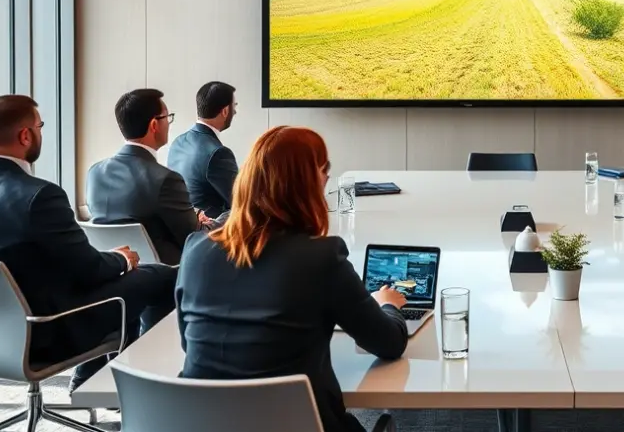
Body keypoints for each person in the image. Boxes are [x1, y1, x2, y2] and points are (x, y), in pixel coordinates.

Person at [176, 126, 409, 432]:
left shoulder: (195, 251)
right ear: (309, 181)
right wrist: (387, 305)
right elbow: (389, 343)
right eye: (324, 170)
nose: (327, 179)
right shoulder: (321, 258)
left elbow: (188, 343)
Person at [0, 95, 176, 390]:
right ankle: (147, 385)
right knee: (160, 276)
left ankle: (95, 377)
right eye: (39, 126)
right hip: (42, 333)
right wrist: (122, 259)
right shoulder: (39, 195)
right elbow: (88, 270)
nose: (41, 133)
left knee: (120, 287)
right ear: (25, 135)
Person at [87, 88, 212, 265]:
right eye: (167, 117)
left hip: (117, 272)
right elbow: (194, 240)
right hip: (166, 277)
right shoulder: (165, 179)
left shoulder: (95, 173)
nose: (169, 123)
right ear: (154, 125)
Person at [167, 81, 239, 220]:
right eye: (234, 107)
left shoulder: (177, 142)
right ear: (225, 111)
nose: (235, 112)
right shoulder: (218, 153)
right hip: (212, 234)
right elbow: (242, 201)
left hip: (184, 230)